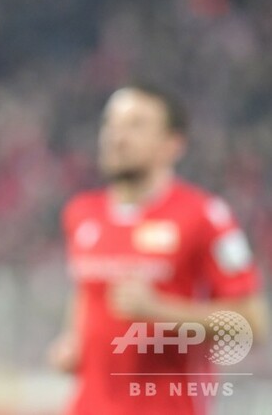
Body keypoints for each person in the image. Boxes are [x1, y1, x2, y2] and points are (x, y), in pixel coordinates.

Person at [48, 84, 268, 415]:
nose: (116, 137)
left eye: (136, 125)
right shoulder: (81, 212)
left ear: (172, 145)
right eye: (111, 123)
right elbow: (86, 292)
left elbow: (252, 324)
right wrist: (73, 342)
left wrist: (159, 310)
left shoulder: (205, 216)